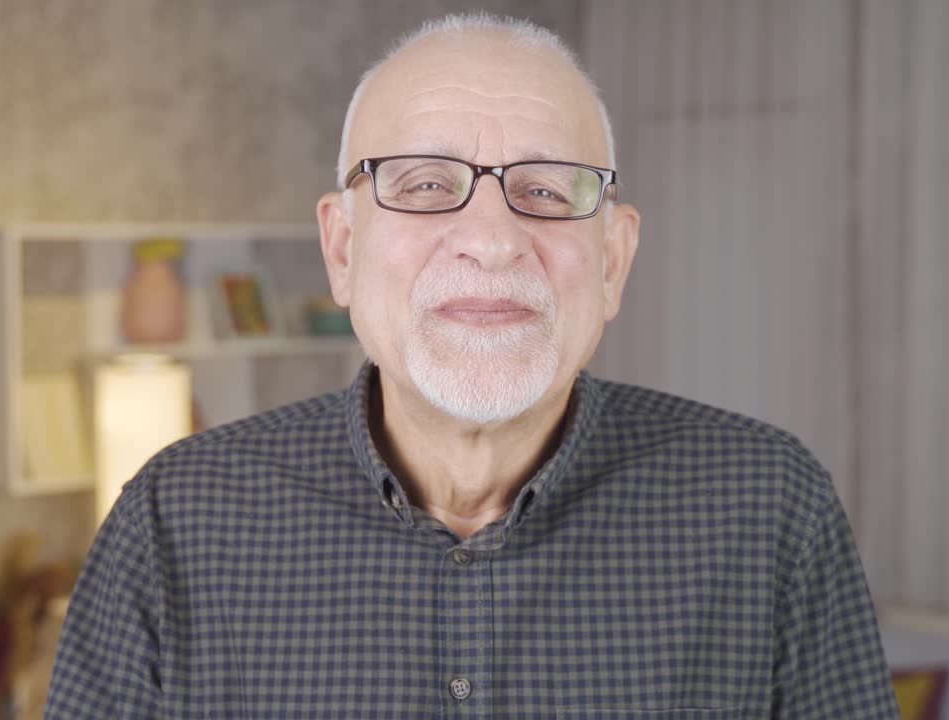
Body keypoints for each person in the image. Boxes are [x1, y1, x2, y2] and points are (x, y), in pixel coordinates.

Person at [45, 13, 900, 719]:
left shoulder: (770, 509)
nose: (492, 241)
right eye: (423, 185)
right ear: (341, 249)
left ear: (613, 260)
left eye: (546, 190)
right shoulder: (174, 523)